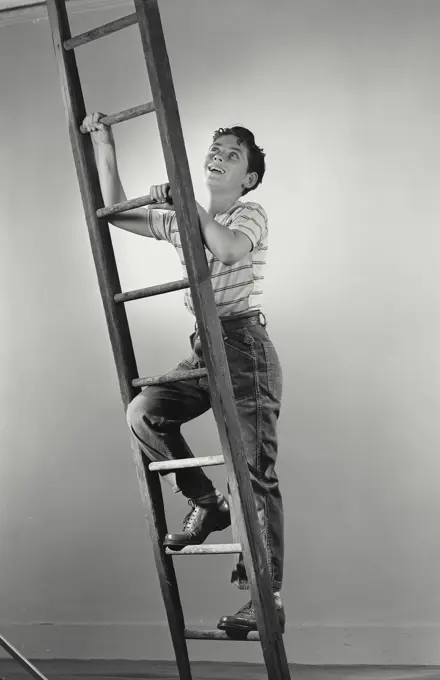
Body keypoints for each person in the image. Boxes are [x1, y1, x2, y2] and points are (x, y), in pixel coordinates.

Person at [82, 112, 285, 634]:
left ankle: (265, 600)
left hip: (243, 348)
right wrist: (106, 148)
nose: (219, 155)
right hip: (204, 349)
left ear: (249, 178)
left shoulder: (251, 213)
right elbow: (117, 217)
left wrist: (186, 205)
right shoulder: (181, 218)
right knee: (146, 411)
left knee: (253, 472)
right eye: (215, 148)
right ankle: (205, 502)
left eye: (233, 154)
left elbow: (225, 247)